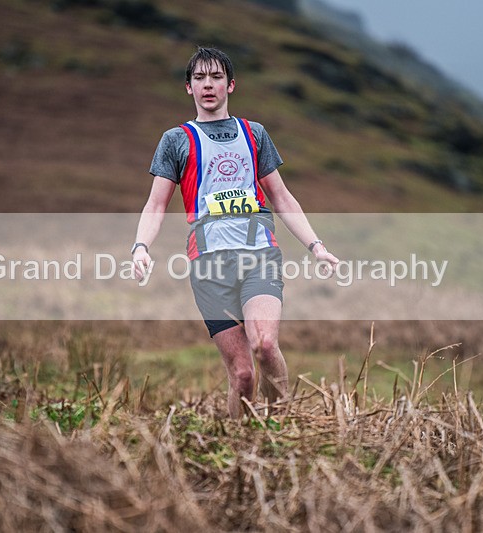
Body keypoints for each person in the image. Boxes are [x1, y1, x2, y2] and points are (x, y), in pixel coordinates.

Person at [131, 46, 339, 419]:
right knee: (242, 375)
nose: (208, 85)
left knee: (265, 344)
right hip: (208, 266)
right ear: (188, 88)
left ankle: (278, 433)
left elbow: (282, 197)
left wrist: (316, 246)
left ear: (231, 85)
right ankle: (242, 447)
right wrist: (141, 247)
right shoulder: (175, 141)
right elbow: (156, 204)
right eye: (199, 78)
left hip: (260, 255)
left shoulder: (253, 134)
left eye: (216, 78)